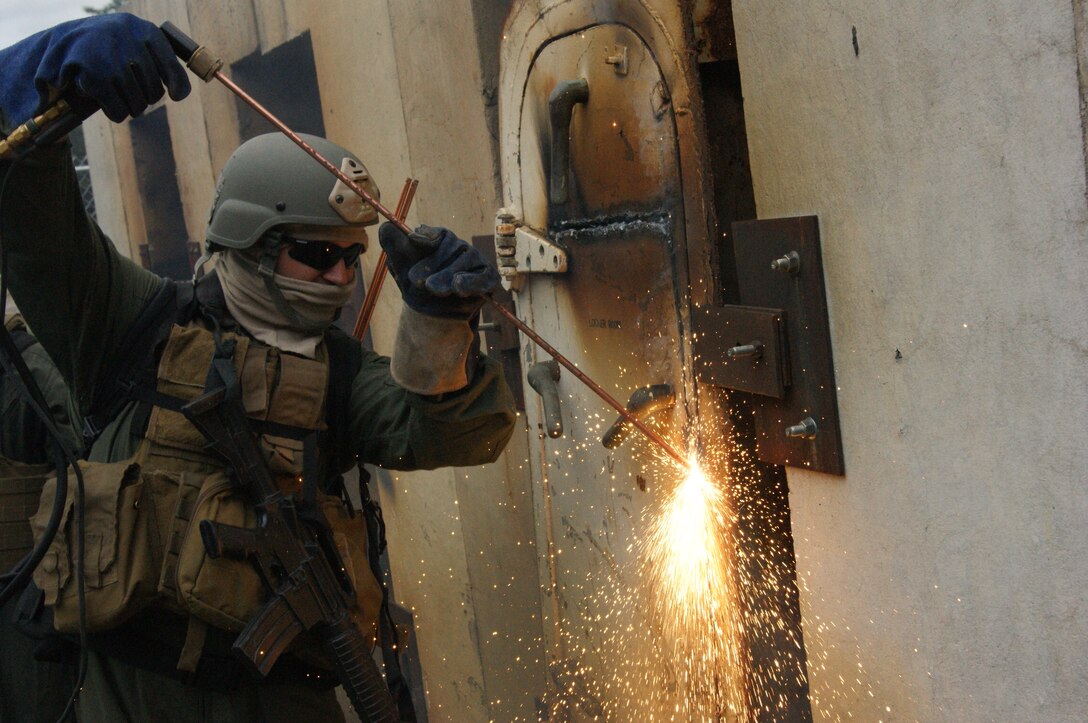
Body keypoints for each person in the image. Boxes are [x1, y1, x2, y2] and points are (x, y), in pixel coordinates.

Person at [0, 12, 517, 722]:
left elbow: (449, 430)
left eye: (351, 256)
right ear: (251, 238)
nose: (340, 277)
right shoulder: (130, 326)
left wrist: (438, 322)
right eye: (317, 253)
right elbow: (27, 203)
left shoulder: (338, 371)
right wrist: (44, 74)